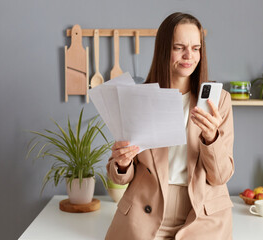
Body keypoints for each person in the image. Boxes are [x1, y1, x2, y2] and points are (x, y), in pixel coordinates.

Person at [105, 12, 234, 240]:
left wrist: (211, 139)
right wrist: (123, 164)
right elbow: (119, 178)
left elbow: (220, 176)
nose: (189, 56)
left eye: (196, 48)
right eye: (179, 47)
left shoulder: (218, 101)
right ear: (164, 49)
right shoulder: (138, 98)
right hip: (144, 214)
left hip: (201, 216)